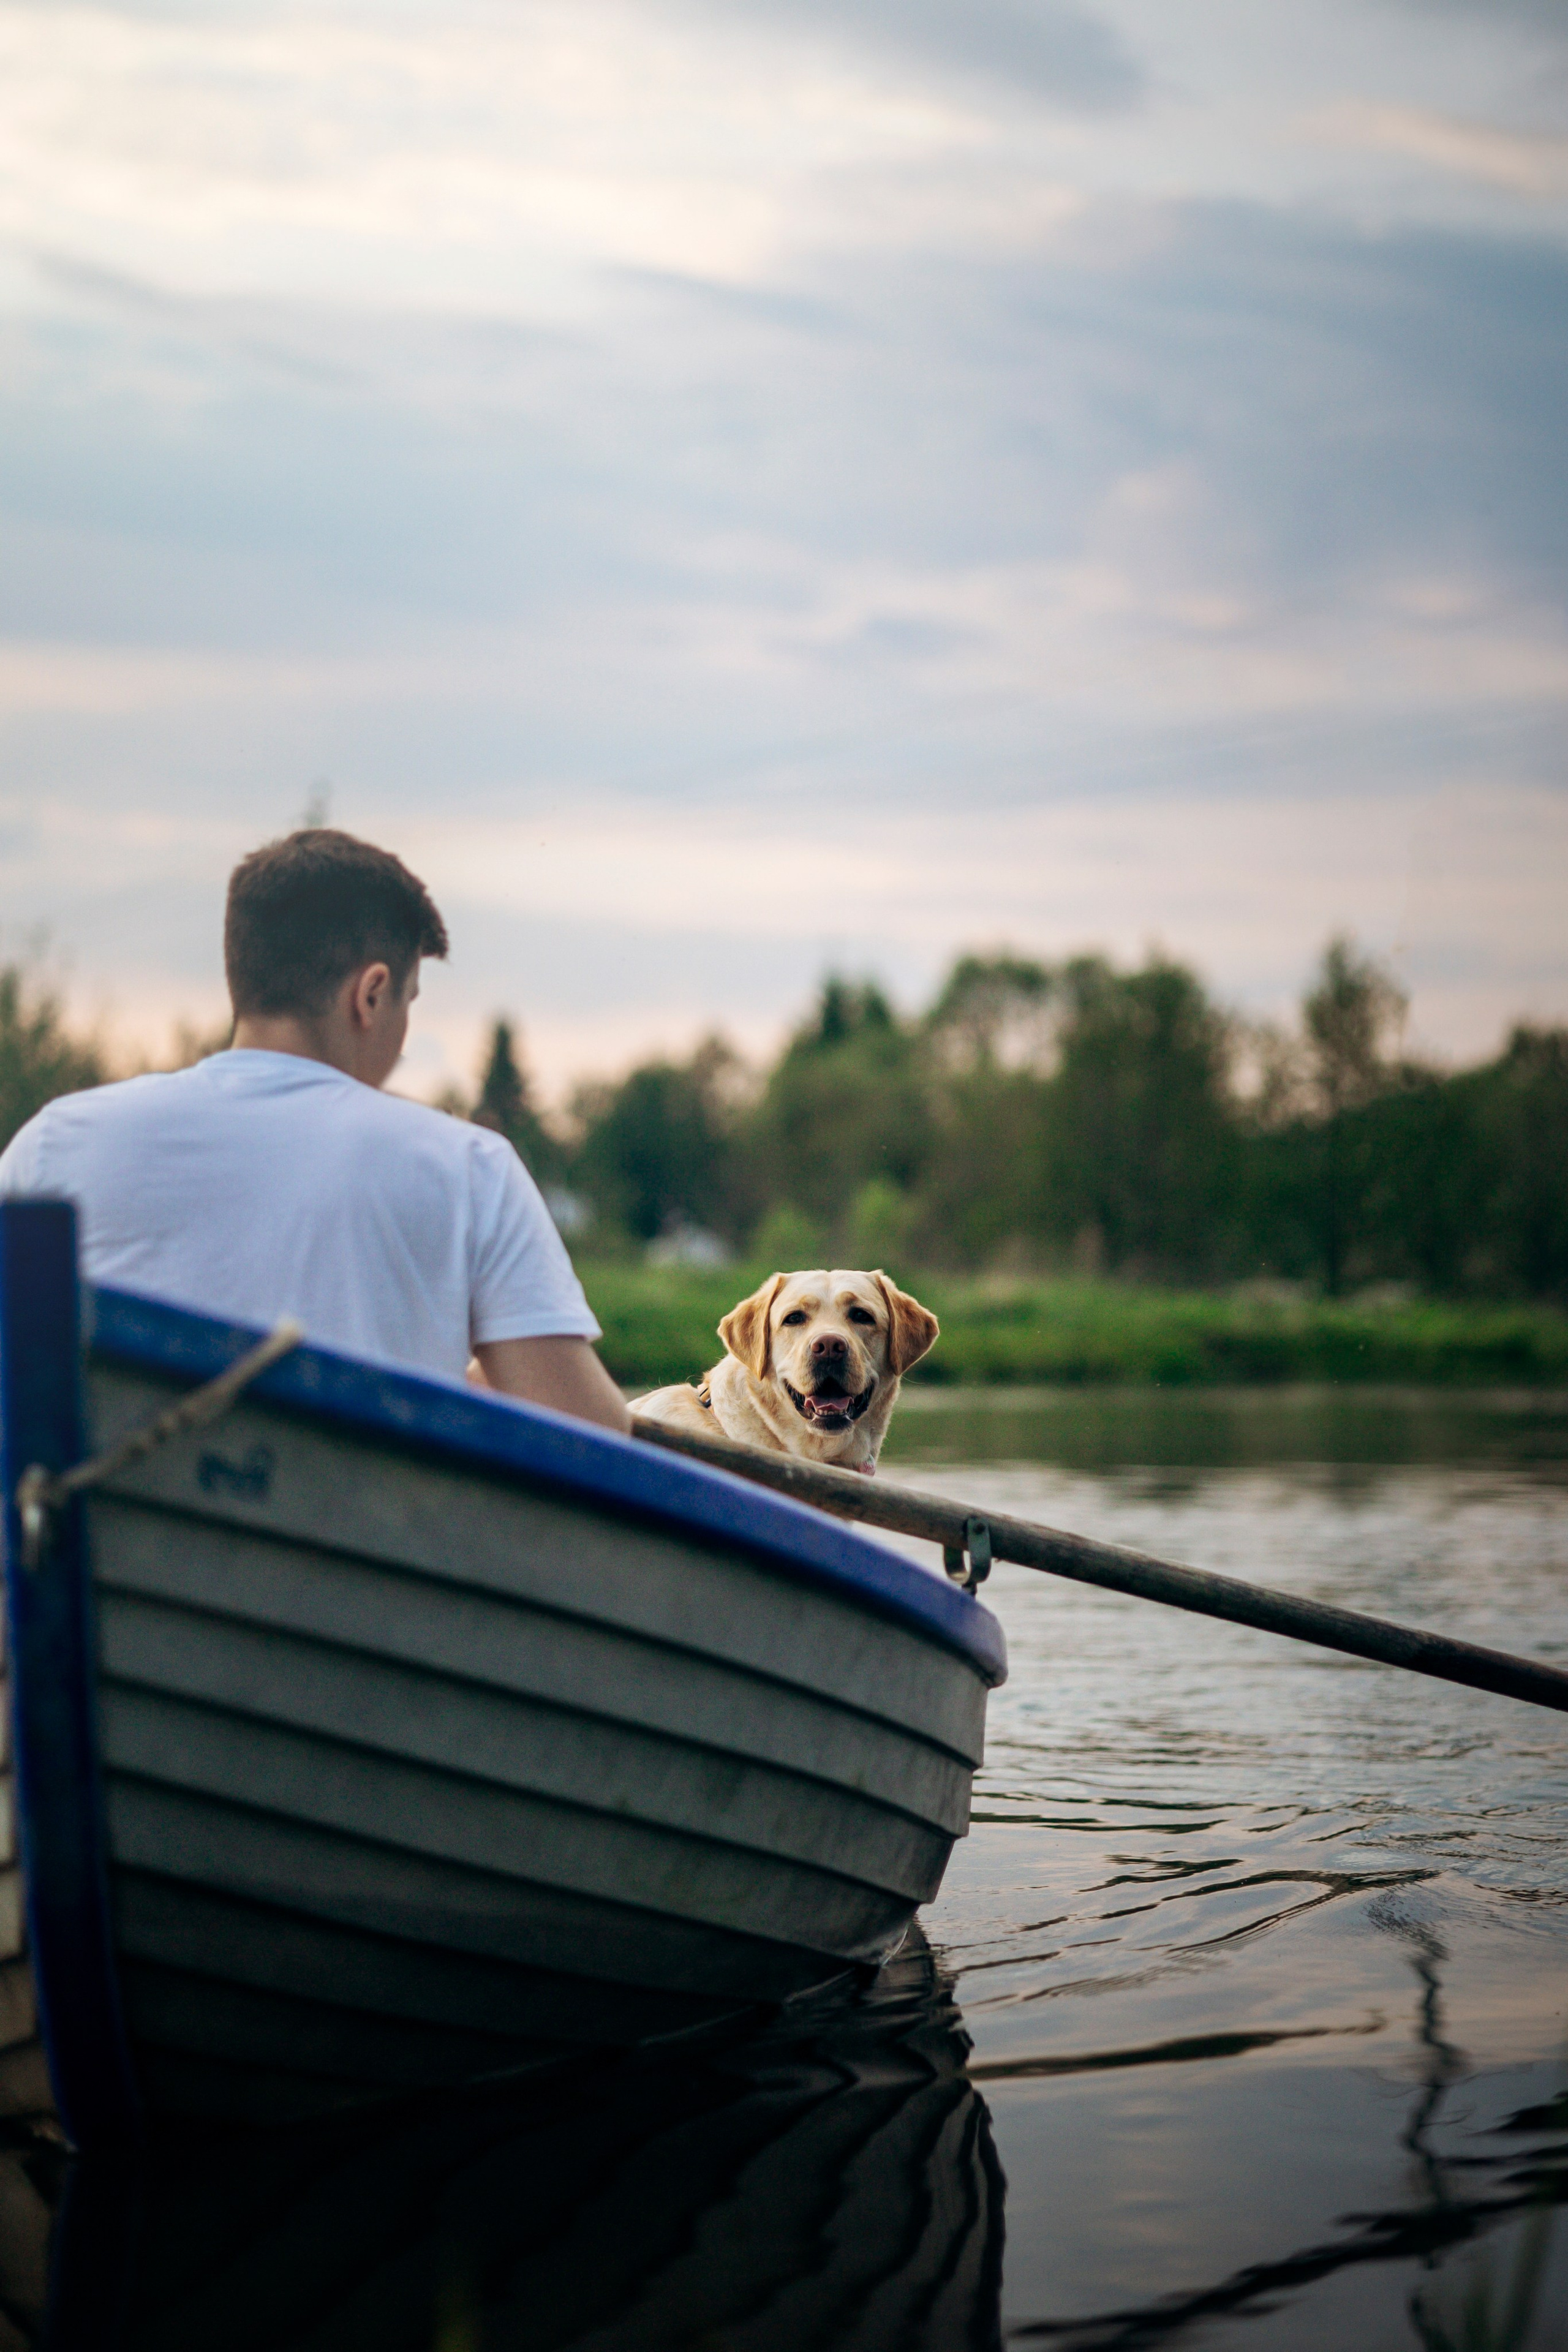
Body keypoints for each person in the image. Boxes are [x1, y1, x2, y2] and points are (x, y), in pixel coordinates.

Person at [0, 829, 629, 1433]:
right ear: (372, 994)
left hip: (97, 1532)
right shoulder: (469, 1167)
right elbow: (588, 1434)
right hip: (370, 1536)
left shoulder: (54, 1142)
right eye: (408, 1003)